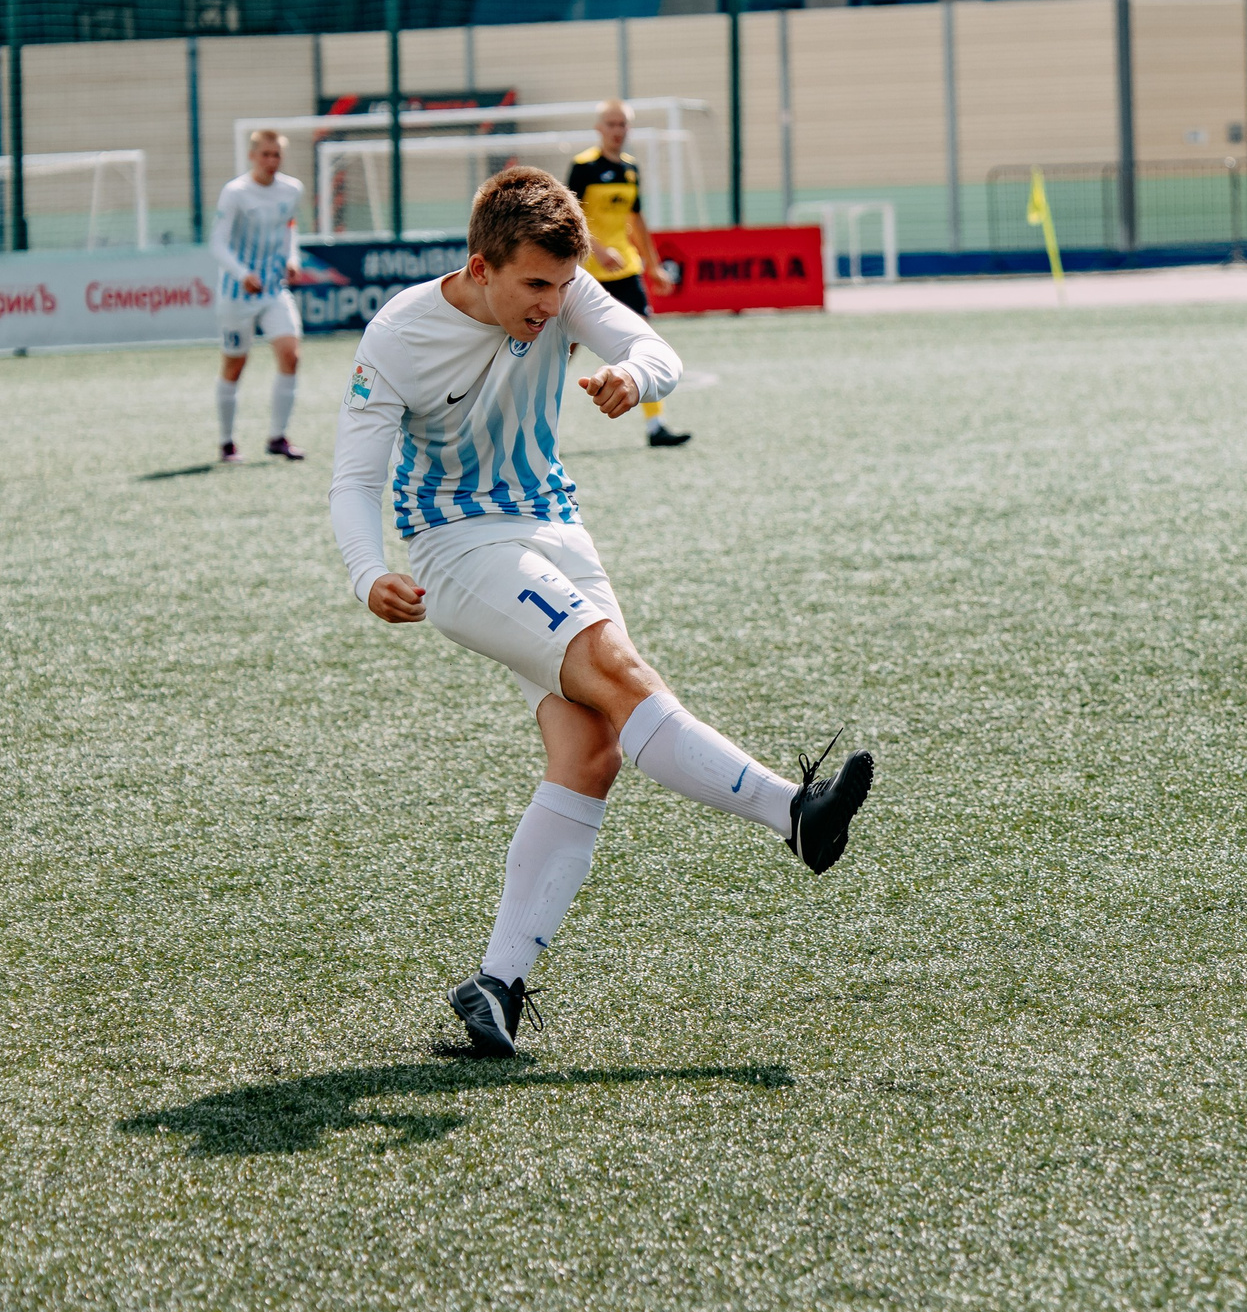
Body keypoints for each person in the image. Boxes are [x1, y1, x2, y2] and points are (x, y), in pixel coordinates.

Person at [328, 167, 874, 1056]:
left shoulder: (563, 288)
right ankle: (793, 813)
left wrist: (631, 373)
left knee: (592, 748)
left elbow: (655, 348)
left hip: (554, 527)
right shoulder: (398, 333)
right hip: (459, 549)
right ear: (481, 265)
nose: (552, 306)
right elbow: (352, 477)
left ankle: (494, 986)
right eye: (534, 287)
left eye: (560, 285)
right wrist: (364, 572)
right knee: (619, 674)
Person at [566, 100, 688, 449]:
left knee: (643, 342)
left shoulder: (631, 169)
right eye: (611, 124)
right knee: (561, 349)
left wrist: (653, 267)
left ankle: (656, 426)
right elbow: (568, 217)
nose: (617, 131)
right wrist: (598, 250)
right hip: (586, 271)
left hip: (626, 271)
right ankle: (533, 427)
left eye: (622, 125)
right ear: (599, 128)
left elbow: (636, 222)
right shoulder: (583, 167)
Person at [210, 129, 307, 464]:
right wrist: (241, 274)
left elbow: (288, 228)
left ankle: (277, 437)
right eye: (265, 155)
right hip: (236, 293)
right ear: (252, 156)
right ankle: (226, 442)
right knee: (235, 365)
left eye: (276, 155)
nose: (271, 161)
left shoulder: (291, 189)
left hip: (273, 289)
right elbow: (218, 243)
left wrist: (292, 259)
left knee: (291, 356)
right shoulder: (235, 192)